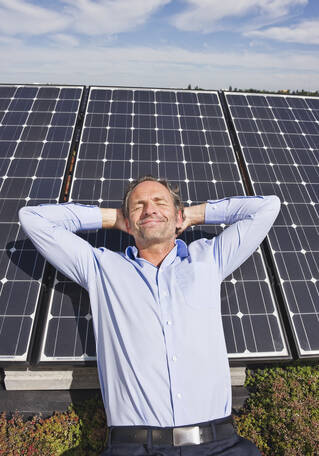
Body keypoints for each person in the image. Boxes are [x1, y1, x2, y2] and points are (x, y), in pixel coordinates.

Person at [19, 175, 281, 455]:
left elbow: (267, 207)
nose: (150, 209)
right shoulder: (101, 267)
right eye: (138, 206)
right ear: (128, 223)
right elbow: (32, 218)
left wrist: (191, 215)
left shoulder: (210, 258)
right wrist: (112, 217)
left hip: (219, 445)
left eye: (160, 202)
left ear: (177, 215)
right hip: (135, 448)